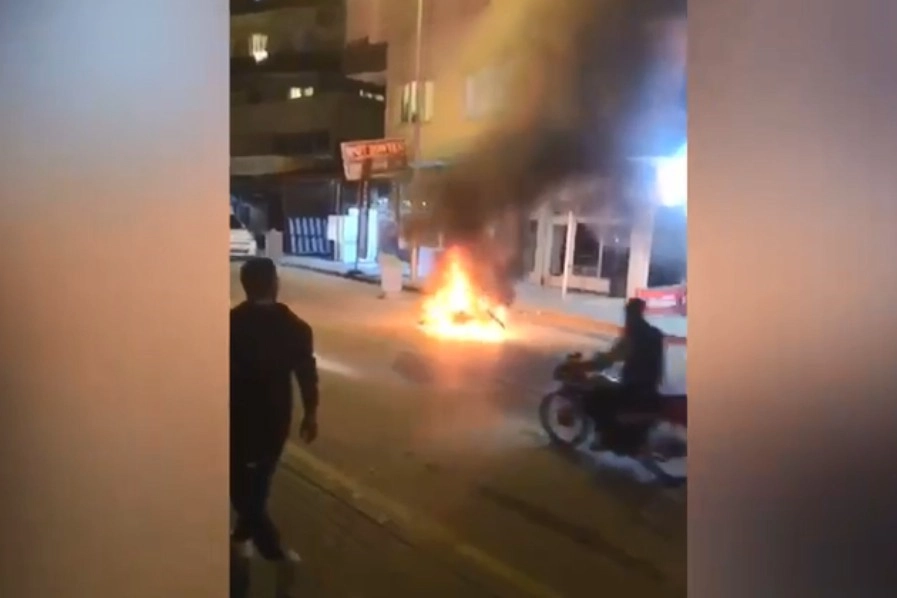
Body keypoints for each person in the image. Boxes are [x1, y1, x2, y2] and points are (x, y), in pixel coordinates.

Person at [230, 257, 320, 597]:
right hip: (274, 422)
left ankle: (273, 553)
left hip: (238, 421)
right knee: (255, 487)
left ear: (246, 286)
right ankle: (245, 544)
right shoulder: (296, 327)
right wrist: (310, 413)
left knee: (244, 492)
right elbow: (306, 374)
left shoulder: (230, 324)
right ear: (273, 284)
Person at [580, 298, 665, 479]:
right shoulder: (654, 334)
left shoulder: (632, 337)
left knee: (594, 396)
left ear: (630, 315)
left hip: (634, 388)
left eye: (627, 315)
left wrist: (585, 365)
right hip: (650, 386)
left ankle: (604, 439)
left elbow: (607, 360)